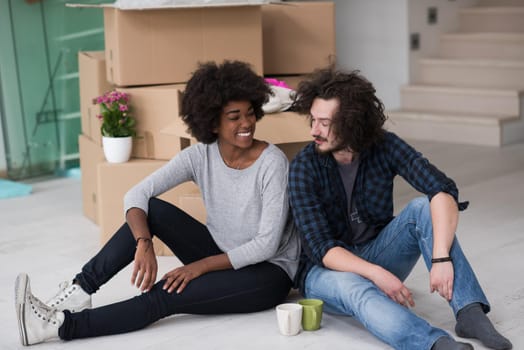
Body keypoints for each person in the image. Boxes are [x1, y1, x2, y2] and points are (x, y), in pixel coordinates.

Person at [15, 60, 300, 346]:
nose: (247, 123)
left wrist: (198, 267)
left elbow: (266, 244)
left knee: (166, 294)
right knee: (152, 210)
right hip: (222, 254)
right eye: (234, 116)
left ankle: (59, 327)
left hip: (266, 274)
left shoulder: (271, 163)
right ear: (212, 121)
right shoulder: (199, 155)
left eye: (250, 113)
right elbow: (136, 195)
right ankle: (79, 292)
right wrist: (144, 242)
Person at [288, 66, 512, 350]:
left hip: (376, 251)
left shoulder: (383, 146)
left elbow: (441, 188)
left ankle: (469, 312)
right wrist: (376, 274)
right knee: (355, 287)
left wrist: (441, 257)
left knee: (422, 207)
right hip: (326, 273)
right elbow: (321, 248)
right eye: (312, 120)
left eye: (324, 123)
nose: (313, 131)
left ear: (351, 123)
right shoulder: (303, 167)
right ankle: (435, 343)